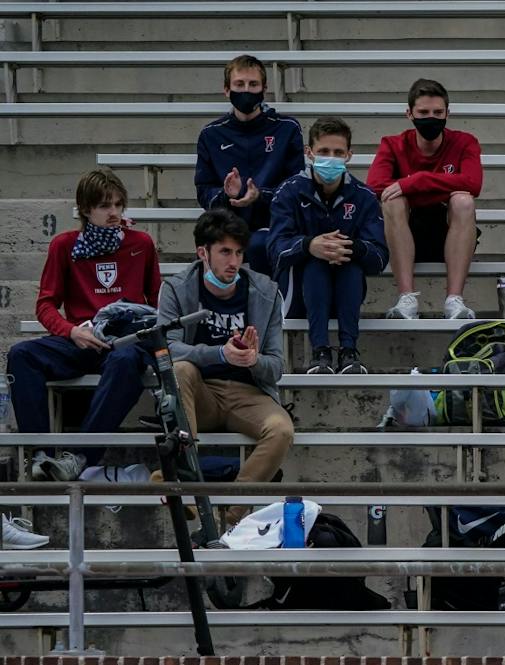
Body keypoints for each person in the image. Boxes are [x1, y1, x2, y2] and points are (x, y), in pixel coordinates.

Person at [7, 168, 158, 484]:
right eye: (105, 205)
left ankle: (78, 457)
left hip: (123, 340)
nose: (113, 212)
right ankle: (41, 455)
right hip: (80, 337)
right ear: (86, 209)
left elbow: (157, 301)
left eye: (118, 204)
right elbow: (45, 304)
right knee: (22, 354)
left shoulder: (141, 243)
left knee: (127, 360)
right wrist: (71, 331)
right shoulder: (64, 245)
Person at [156, 211, 291, 519]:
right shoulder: (177, 288)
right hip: (199, 390)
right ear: (203, 252)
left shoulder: (266, 292)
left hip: (248, 392)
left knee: (281, 430)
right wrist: (221, 354)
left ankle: (235, 506)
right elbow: (167, 350)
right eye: (225, 252)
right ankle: (186, 487)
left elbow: (276, 367)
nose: (234, 261)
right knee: (180, 370)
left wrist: (253, 360)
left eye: (239, 252)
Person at [269, 117, 389, 374]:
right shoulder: (288, 192)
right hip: (300, 294)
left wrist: (351, 248)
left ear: (349, 155)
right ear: (309, 153)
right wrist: (310, 245)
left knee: (350, 264)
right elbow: (274, 250)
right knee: (315, 263)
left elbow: (379, 258)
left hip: (348, 292)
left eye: (338, 152)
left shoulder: (364, 196)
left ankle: (349, 352)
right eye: (323, 151)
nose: (330, 158)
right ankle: (319, 352)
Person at [369, 78, 482, 322]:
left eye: (437, 112)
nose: (431, 117)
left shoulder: (465, 142)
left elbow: (473, 184)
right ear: (409, 114)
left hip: (448, 230)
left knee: (463, 201)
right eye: (423, 112)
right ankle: (406, 298)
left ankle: (454, 300)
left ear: (447, 114)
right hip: (405, 232)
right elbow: (375, 186)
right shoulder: (393, 144)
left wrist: (414, 182)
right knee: (392, 200)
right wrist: (438, 185)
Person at [193, 54, 304, 277]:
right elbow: (204, 191)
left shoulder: (286, 128)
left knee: (260, 245)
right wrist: (226, 195)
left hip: (275, 224)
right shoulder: (211, 134)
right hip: (227, 225)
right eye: (239, 84)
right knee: (211, 249)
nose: (246, 90)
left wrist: (260, 196)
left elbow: (297, 188)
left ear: (264, 89)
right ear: (226, 90)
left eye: (253, 84)